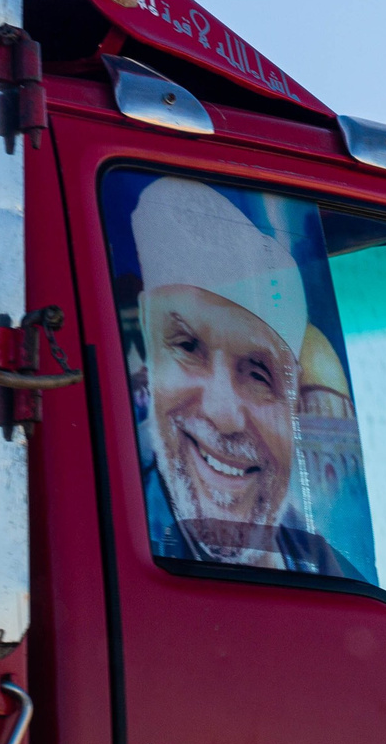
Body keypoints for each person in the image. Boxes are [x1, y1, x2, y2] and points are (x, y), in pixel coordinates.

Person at [130, 176, 361, 575]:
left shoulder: (338, 582)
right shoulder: (99, 545)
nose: (225, 415)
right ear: (149, 366)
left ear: (294, 403)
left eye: (258, 374)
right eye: (187, 348)